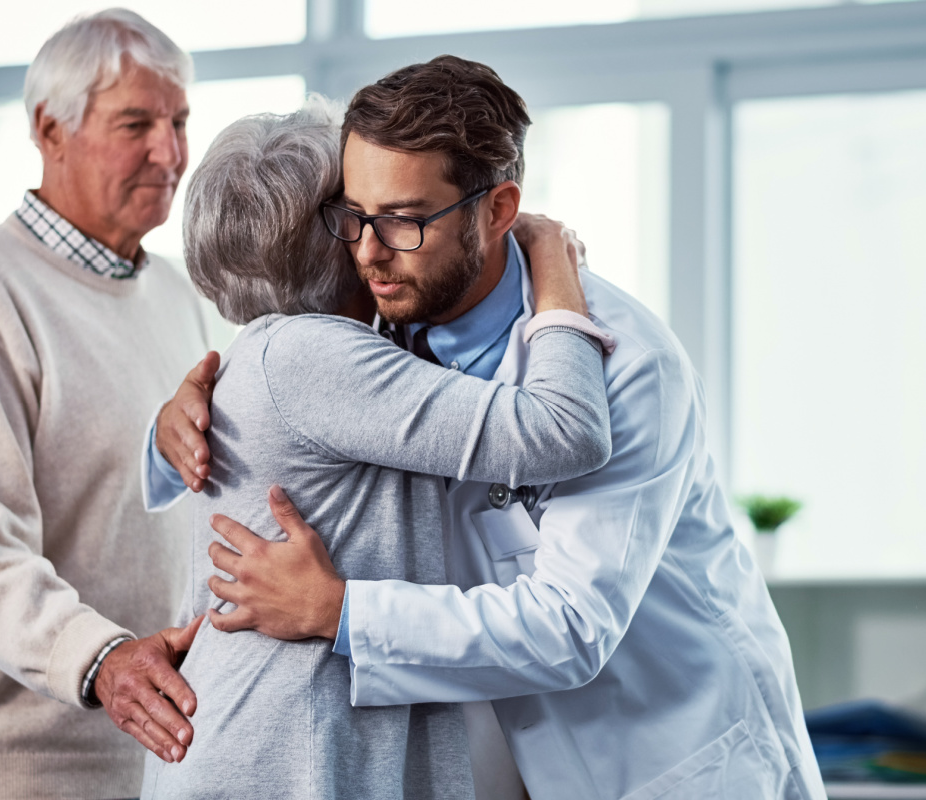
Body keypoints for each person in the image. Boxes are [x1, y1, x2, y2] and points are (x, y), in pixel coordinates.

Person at [151, 57, 826, 799]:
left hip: (669, 756)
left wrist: (336, 610)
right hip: (513, 757)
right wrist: (187, 408)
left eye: (405, 220)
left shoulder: (627, 363)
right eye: (355, 216)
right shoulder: (384, 324)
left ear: (499, 210)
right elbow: (284, 400)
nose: (370, 252)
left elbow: (570, 627)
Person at [140, 97, 613, 799]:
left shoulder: (270, 355)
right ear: (332, 234)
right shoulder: (314, 357)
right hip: (281, 761)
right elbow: (563, 429)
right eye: (361, 211)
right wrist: (552, 262)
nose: (379, 235)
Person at [0, 10, 210, 799]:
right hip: (11, 771)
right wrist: (104, 662)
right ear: (49, 128)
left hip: (148, 755)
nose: (169, 153)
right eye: (136, 123)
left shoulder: (175, 290)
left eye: (178, 122)